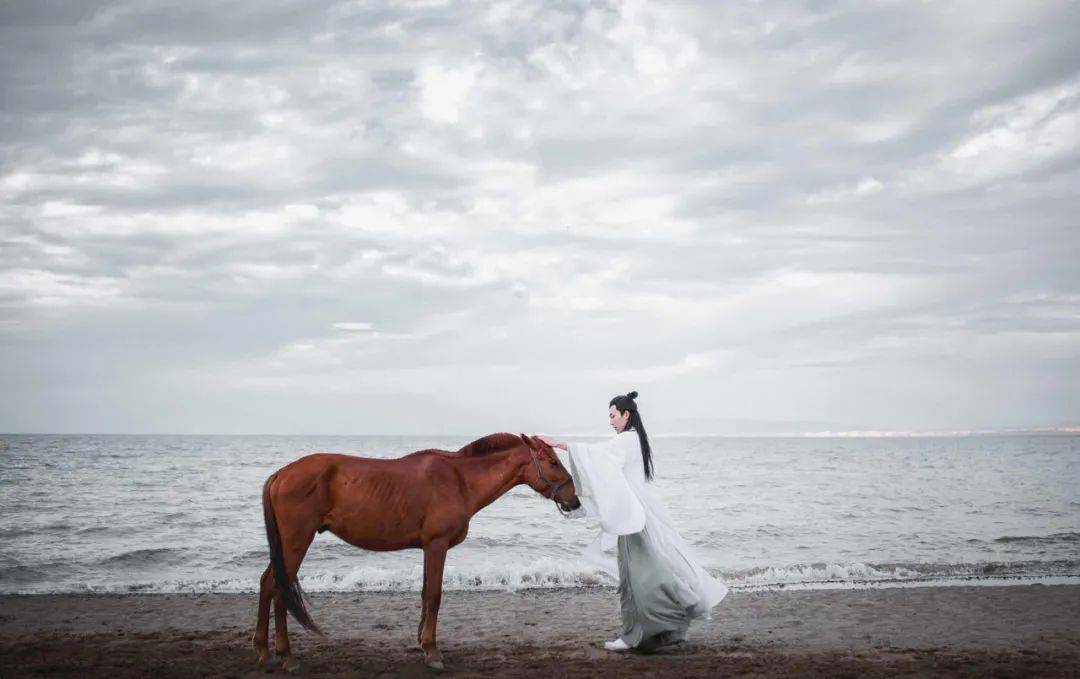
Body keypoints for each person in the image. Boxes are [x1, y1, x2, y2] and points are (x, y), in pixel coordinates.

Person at [537, 390, 728, 653]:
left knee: (634, 577)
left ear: (626, 415)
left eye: (613, 416)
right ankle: (667, 624)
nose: (610, 421)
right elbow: (605, 463)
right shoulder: (636, 439)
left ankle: (633, 635)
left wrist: (561, 444)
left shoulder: (627, 439)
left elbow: (598, 456)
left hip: (632, 519)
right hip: (637, 516)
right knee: (646, 572)